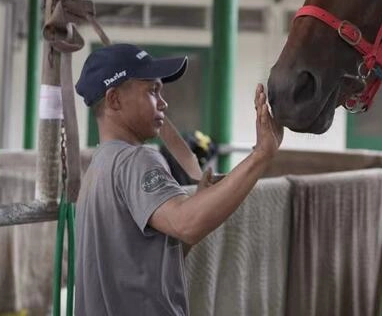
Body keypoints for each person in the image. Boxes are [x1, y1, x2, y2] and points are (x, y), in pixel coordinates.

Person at [73, 43, 283, 315]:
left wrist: (202, 202)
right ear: (114, 100)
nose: (164, 102)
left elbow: (148, 257)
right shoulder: (135, 161)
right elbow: (187, 223)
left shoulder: (99, 167)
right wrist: (261, 155)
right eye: (152, 91)